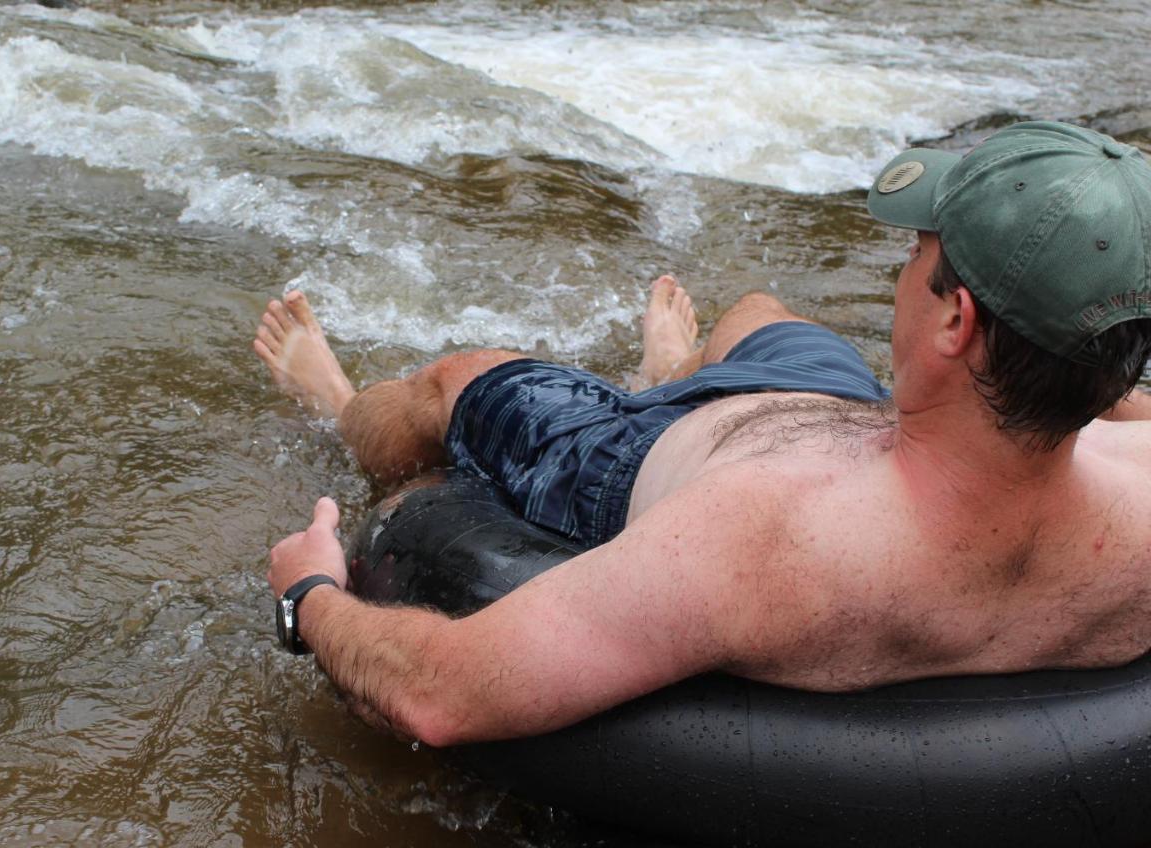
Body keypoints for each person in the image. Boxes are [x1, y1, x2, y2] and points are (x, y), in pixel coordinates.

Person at [253, 121, 1151, 747]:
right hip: (866, 415)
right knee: (759, 312)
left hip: (639, 464)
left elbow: (439, 694)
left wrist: (311, 599)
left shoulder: (759, 543)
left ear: (956, 321)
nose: (901, 264)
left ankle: (337, 397)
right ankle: (672, 369)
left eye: (916, 253)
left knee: (455, 381)